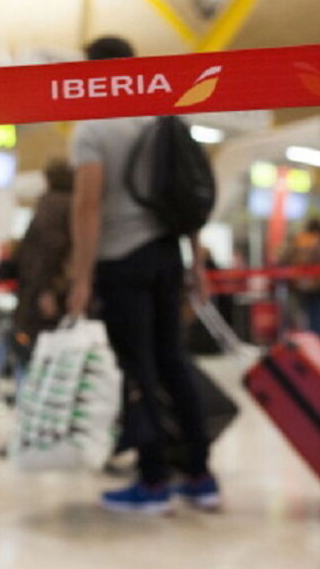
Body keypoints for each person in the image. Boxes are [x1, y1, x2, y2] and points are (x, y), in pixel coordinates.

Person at [67, 36, 218, 514]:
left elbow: (89, 205)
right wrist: (197, 264)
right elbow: (189, 199)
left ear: (93, 71)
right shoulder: (163, 117)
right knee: (173, 360)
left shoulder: (93, 127)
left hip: (121, 259)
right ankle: (199, 474)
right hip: (166, 255)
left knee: (139, 367)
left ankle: (152, 482)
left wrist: (81, 277)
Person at [13, 159, 74, 349]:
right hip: (63, 286)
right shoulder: (72, 203)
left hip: (45, 288)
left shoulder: (51, 204)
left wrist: (45, 289)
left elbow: (48, 249)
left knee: (41, 345)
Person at [280, 219, 320, 343]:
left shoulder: (298, 240)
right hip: (319, 288)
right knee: (318, 324)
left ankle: (304, 349)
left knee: (299, 323)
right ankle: (319, 351)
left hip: (298, 287)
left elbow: (283, 258)